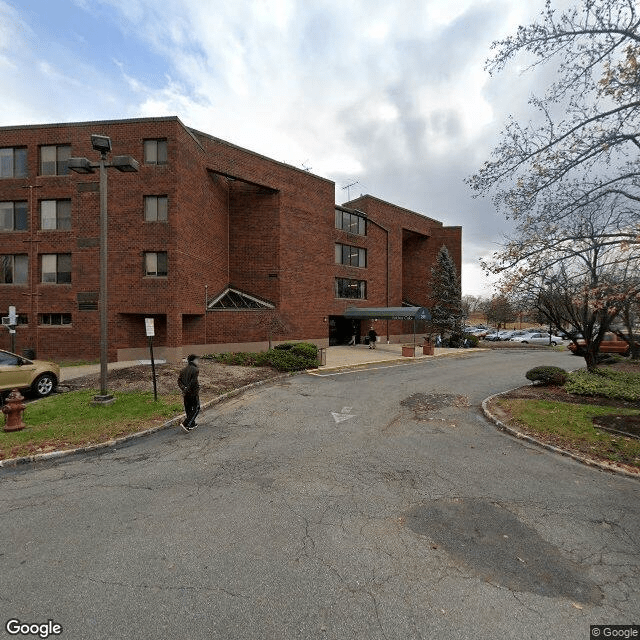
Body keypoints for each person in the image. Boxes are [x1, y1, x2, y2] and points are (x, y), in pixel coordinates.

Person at [178, 354, 200, 432]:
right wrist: (188, 388)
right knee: (196, 408)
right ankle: (186, 423)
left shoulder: (183, 370)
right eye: (197, 360)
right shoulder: (195, 369)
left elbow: (179, 381)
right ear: (193, 360)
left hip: (185, 393)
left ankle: (192, 424)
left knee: (188, 408)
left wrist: (184, 388)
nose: (198, 361)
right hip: (193, 392)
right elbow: (193, 381)